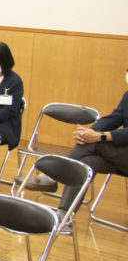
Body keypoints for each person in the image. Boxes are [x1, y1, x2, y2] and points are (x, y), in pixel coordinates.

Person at [25, 67, 128, 213]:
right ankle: (64, 214)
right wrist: (90, 132)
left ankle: (52, 175)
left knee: (95, 144)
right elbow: (113, 118)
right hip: (120, 154)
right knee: (86, 163)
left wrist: (99, 136)